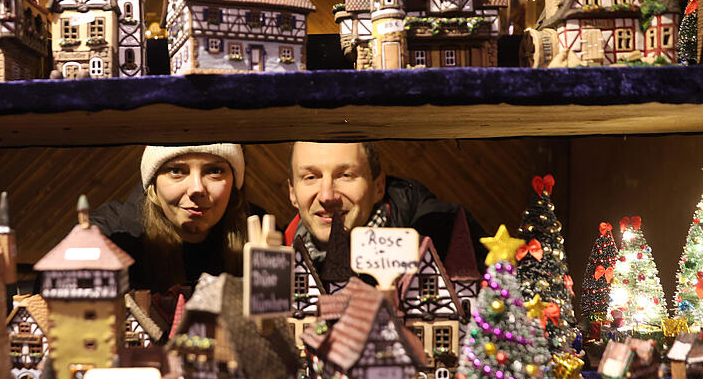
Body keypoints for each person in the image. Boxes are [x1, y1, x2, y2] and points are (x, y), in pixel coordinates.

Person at [286, 141, 487, 275]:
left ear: (378, 187)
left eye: (345, 175)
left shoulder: (448, 235)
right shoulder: (277, 257)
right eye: (311, 177)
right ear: (293, 193)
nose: (327, 196)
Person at [91, 144, 255, 291]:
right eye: (176, 171)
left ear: (234, 181)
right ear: (153, 182)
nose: (196, 188)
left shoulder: (260, 233)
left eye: (214, 171)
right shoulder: (106, 236)